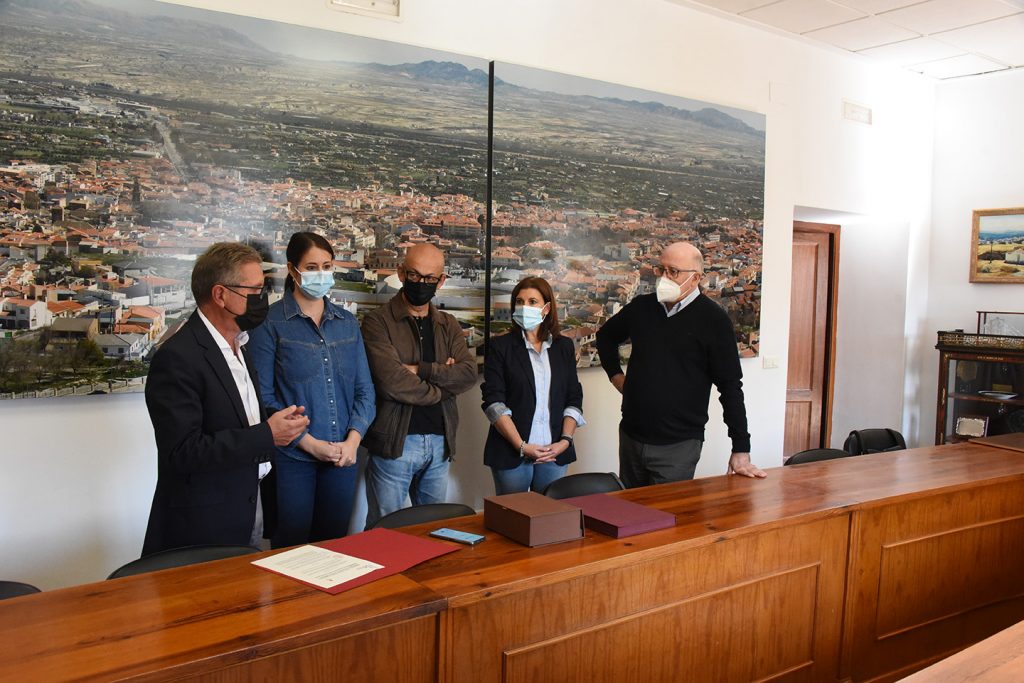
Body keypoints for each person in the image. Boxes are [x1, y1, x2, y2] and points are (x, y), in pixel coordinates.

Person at [142, 242, 309, 556]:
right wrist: (267, 434)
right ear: (220, 295)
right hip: (203, 524)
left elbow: (236, 415)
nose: (263, 298)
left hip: (248, 505)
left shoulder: (241, 344)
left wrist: (278, 422)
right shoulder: (178, 357)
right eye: (255, 290)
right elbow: (182, 452)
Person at [595, 241, 765, 487]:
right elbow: (605, 336)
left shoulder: (714, 320)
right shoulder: (642, 307)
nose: (663, 277)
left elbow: (730, 386)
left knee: (668, 512)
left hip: (678, 446)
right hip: (632, 436)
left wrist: (741, 448)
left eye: (673, 271)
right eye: (661, 269)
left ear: (695, 278)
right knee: (628, 509)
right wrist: (616, 376)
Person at [248, 232, 375, 547]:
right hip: (292, 459)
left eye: (327, 266)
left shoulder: (347, 323)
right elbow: (263, 398)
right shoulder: (270, 324)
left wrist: (353, 441)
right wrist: (309, 444)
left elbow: (365, 391)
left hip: (342, 458)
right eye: (312, 267)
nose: (321, 274)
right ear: (293, 270)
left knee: (334, 549)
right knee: (291, 550)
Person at [360, 243, 476, 528]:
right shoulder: (377, 322)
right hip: (395, 444)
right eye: (414, 275)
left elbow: (468, 373)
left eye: (429, 278)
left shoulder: (448, 324)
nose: (421, 283)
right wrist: (443, 388)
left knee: (434, 530)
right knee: (385, 532)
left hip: (440, 443)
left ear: (441, 280)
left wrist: (421, 369)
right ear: (401, 273)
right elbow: (392, 382)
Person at [481, 277, 584, 494]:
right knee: (514, 512)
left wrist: (565, 441)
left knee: (548, 512)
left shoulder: (563, 347)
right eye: (519, 302)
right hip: (512, 451)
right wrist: (522, 446)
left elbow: (573, 396)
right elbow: (494, 402)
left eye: (532, 302)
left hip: (554, 451)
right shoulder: (500, 347)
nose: (524, 307)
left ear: (546, 308)